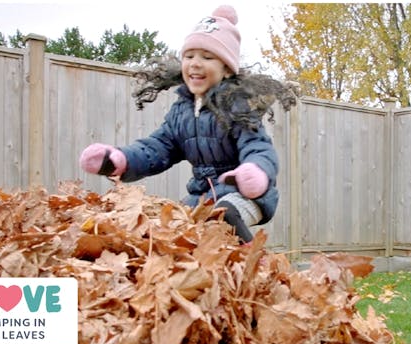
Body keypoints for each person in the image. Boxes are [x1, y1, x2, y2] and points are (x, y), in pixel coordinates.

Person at [79, 5, 295, 244]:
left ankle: (257, 265)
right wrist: (122, 159)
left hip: (245, 195)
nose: (195, 63)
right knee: (172, 231)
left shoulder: (237, 106)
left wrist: (254, 171)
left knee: (221, 216)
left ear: (226, 69)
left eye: (207, 57)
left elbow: (258, 147)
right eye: (189, 56)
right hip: (201, 198)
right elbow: (157, 148)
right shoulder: (180, 112)